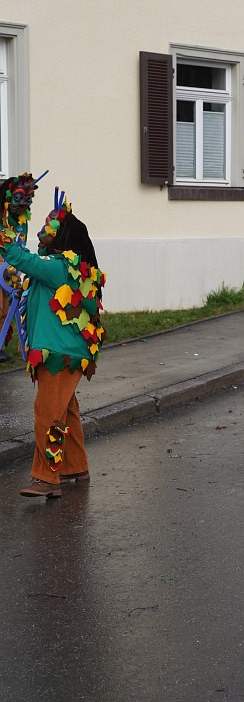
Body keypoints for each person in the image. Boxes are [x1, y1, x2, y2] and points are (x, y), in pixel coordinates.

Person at [0, 192, 105, 496]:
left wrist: (4, 237)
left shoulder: (60, 266)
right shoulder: (68, 267)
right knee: (66, 410)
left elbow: (22, 259)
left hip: (58, 354)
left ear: (62, 235)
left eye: (48, 226)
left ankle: (47, 478)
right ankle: (75, 466)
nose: (40, 231)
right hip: (67, 351)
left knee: (49, 416)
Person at [0, 173, 37, 360]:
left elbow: (19, 244)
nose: (24, 203)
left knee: (6, 311)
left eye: (28, 199)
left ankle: (2, 345)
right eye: (18, 198)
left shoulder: (22, 220)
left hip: (10, 271)